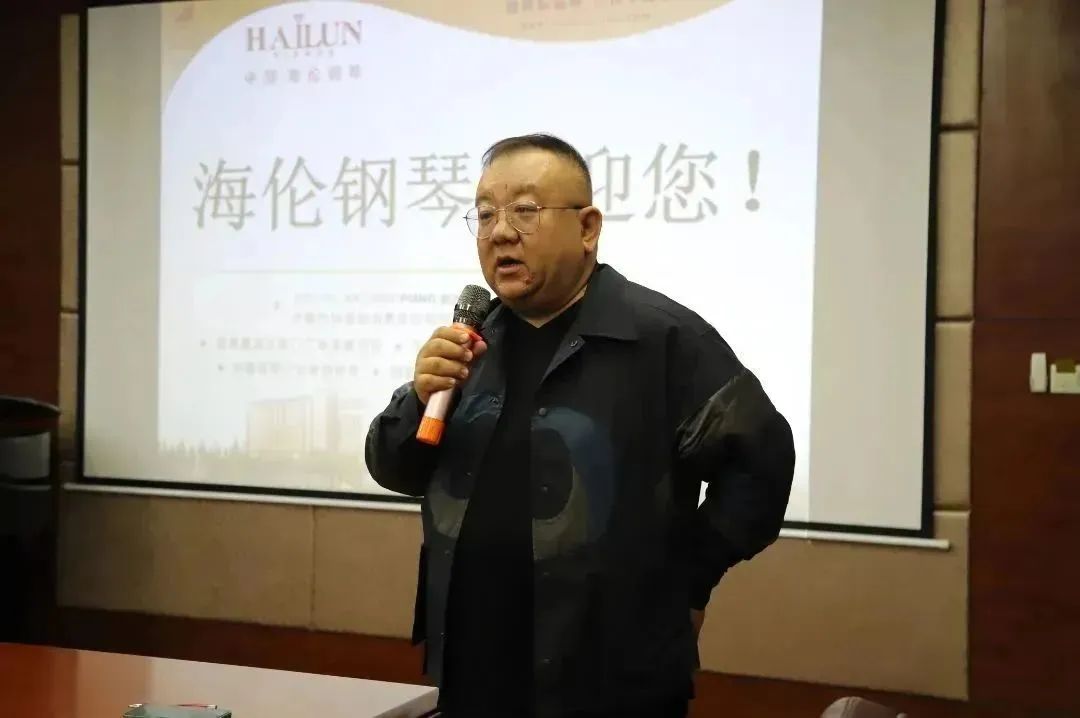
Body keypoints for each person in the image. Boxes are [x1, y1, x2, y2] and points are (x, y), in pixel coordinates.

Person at [365, 134, 795, 718]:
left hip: (612, 681)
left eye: (524, 210)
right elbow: (395, 468)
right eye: (485, 214)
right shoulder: (471, 346)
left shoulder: (662, 337)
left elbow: (762, 465)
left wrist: (688, 579)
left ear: (588, 228)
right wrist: (420, 399)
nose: (499, 232)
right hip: (472, 667)